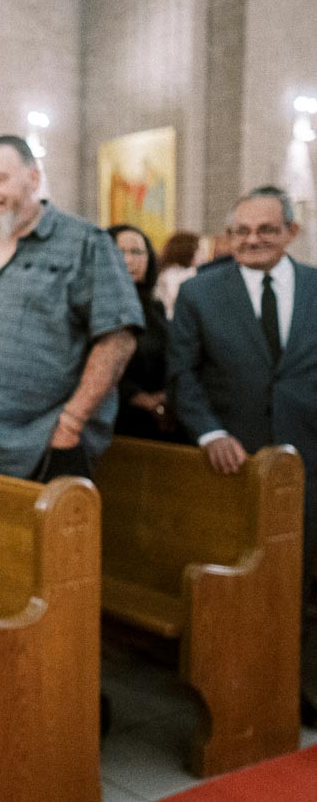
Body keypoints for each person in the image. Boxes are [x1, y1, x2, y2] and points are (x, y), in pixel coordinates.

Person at [0, 135, 142, 482]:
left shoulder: (84, 244)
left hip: (40, 451)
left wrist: (71, 423)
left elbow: (117, 340)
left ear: (33, 179)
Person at [167, 185, 317, 727]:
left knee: (304, 579)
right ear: (228, 236)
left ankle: (300, 688)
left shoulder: (316, 286)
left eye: (267, 230)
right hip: (234, 462)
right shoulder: (200, 294)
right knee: (244, 580)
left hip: (310, 458)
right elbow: (181, 375)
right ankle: (242, 688)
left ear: (291, 233)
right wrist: (209, 433)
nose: (253, 240)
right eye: (242, 231)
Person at [108, 225, 176, 441]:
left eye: (137, 252)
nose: (129, 261)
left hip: (160, 417)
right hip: (115, 419)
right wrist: (140, 398)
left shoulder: (154, 308)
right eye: (119, 252)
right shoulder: (91, 307)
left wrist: (166, 396)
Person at [153, 231, 206, 319]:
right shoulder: (173, 274)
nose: (202, 255)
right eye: (199, 250)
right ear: (186, 250)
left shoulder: (175, 272)